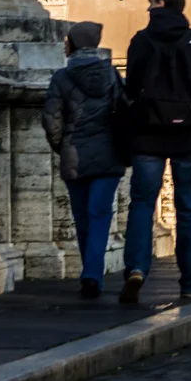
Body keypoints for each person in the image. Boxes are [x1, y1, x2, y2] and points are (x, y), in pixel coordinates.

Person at [120, 0, 191, 305]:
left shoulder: (141, 40)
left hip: (147, 134)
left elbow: (131, 86)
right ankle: (190, 282)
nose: (148, 6)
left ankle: (136, 269)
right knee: (187, 208)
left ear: (161, 3)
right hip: (186, 133)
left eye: (151, 1)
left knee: (142, 204)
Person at [41, 19, 128, 299]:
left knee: (82, 216)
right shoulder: (112, 75)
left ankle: (90, 273)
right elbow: (126, 110)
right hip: (109, 154)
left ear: (74, 44)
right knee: (100, 214)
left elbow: (52, 119)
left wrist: (62, 146)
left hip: (75, 154)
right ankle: (92, 273)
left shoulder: (61, 78)